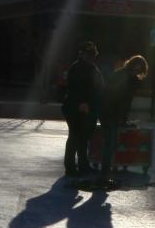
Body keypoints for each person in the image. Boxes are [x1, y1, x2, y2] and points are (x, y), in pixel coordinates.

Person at [96, 54, 148, 188]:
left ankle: (106, 173)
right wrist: (115, 117)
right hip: (108, 113)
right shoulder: (121, 76)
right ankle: (104, 175)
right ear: (131, 65)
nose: (136, 73)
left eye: (139, 71)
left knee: (111, 144)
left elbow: (125, 103)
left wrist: (123, 119)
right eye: (135, 69)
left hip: (112, 114)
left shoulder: (131, 79)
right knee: (110, 143)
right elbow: (112, 98)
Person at [61, 40, 103, 179]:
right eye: (89, 55)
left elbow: (98, 86)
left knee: (83, 138)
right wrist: (82, 103)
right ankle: (70, 167)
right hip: (75, 108)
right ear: (82, 54)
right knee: (75, 137)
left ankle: (83, 165)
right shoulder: (77, 68)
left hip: (87, 108)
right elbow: (74, 89)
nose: (92, 57)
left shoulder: (92, 67)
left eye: (93, 55)